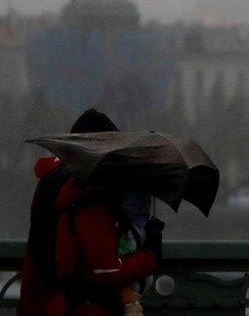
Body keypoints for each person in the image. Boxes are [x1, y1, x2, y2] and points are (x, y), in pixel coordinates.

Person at [19, 109, 163, 316]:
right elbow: (106, 269)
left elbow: (35, 256)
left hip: (49, 304)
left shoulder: (47, 185)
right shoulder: (90, 192)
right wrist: (150, 255)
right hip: (87, 307)